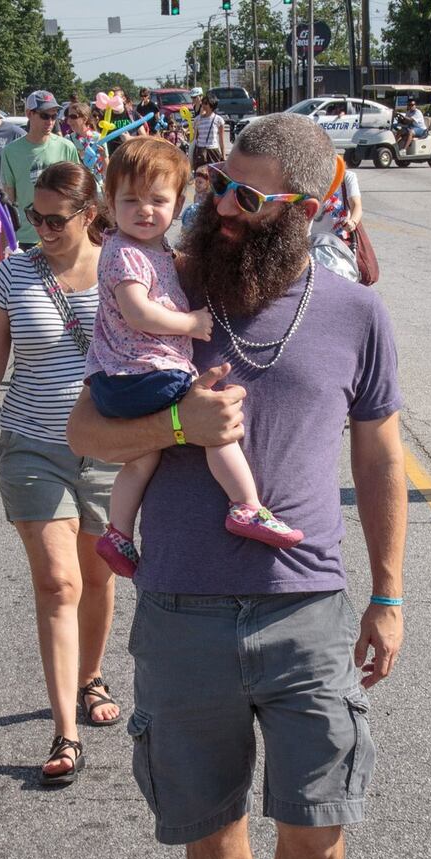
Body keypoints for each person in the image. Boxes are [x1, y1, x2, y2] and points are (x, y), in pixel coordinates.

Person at [67, 113, 406, 859]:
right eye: (219, 182)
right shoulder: (151, 287)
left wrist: (388, 593)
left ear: (302, 211)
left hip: (305, 608)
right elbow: (87, 433)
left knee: (317, 812)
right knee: (207, 816)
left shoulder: (352, 313)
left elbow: (379, 456)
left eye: (248, 197)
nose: (221, 207)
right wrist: (177, 419)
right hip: (178, 609)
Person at [0, 162, 123, 785]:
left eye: (53, 219)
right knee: (58, 583)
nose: (39, 229)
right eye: (30, 217)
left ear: (89, 215)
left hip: (109, 448)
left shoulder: (125, 269)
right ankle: (65, 730)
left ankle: (90, 674)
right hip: (33, 447)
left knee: (97, 575)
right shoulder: (12, 273)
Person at [87, 137, 300, 580]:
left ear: (179, 202)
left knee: (142, 458)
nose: (145, 211)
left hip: (122, 377)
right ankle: (246, 507)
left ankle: (118, 533)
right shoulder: (126, 253)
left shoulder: (151, 250)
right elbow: (137, 311)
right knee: (214, 422)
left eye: (158, 200)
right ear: (109, 202)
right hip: (145, 373)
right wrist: (191, 323)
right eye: (130, 200)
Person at [0, 91, 80, 248]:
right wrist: (5, 238)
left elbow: (76, 192)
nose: (50, 121)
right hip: (28, 236)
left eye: (54, 116)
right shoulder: (11, 151)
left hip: (62, 232)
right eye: (44, 116)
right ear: (29, 114)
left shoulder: (66, 147)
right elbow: (9, 198)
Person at [310, 164, 362, 283]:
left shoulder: (347, 177)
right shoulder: (309, 178)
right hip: (312, 242)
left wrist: (352, 222)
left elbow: (356, 205)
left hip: (338, 243)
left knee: (342, 281)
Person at [192, 94, 228, 170]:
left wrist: (223, 155)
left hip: (213, 151)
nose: (203, 105)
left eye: (206, 103)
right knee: (200, 176)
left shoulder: (219, 120)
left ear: (212, 105)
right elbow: (195, 137)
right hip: (200, 151)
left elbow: (221, 140)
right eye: (203, 103)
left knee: (213, 176)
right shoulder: (197, 119)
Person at [178, 165, 211, 236]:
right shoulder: (196, 195)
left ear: (207, 183)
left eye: (200, 182)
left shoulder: (208, 196)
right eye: (196, 182)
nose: (197, 184)